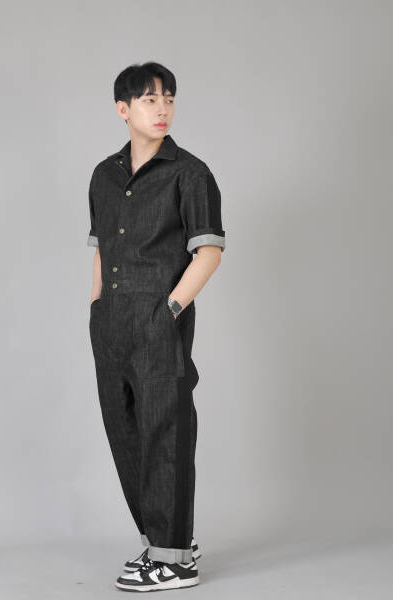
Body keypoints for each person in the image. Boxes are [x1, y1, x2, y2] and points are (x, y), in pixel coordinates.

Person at [86, 61, 225, 592]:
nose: (162, 108)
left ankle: (174, 560)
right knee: (124, 432)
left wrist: (168, 311)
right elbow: (102, 249)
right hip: (110, 324)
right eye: (149, 99)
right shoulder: (104, 175)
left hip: (158, 320)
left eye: (168, 98)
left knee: (165, 433)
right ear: (123, 109)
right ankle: (164, 543)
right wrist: (96, 308)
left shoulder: (191, 174)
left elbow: (209, 253)